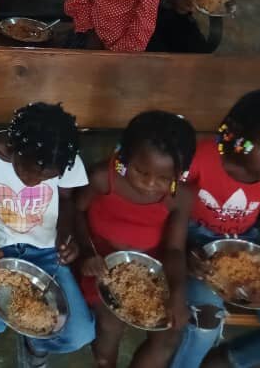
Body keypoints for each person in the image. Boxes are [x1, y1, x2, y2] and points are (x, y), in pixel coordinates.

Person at [0, 103, 95, 364]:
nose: (37, 181)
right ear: (14, 147)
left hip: (45, 253)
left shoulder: (62, 156)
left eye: (48, 177)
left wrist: (65, 236)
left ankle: (35, 342)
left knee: (79, 333)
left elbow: (67, 198)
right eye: (32, 173)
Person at [170, 90, 260, 368]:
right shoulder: (200, 158)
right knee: (204, 325)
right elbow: (173, 207)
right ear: (235, 135)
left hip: (248, 241)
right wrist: (185, 250)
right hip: (195, 240)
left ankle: (222, 361)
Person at [76, 111, 197, 367]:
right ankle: (105, 361)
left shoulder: (181, 197)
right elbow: (75, 212)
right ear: (123, 157)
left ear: (179, 174)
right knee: (109, 324)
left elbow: (175, 249)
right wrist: (86, 252)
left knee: (169, 332)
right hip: (100, 264)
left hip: (151, 270)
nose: (150, 184)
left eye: (164, 178)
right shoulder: (102, 178)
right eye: (141, 171)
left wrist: (177, 292)